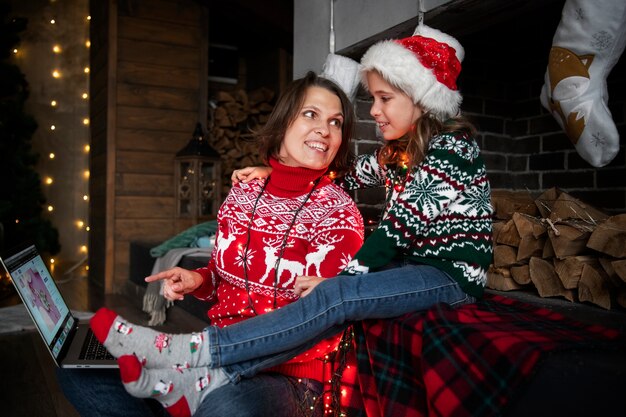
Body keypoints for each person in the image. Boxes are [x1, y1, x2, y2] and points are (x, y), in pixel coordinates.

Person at [89, 24, 493, 416]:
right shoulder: (392, 156)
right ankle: (185, 380)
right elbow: (345, 175)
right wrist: (274, 172)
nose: (373, 111)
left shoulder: (449, 152)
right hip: (404, 269)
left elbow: (398, 226)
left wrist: (344, 281)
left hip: (442, 279)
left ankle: (187, 358)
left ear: (420, 98)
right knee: (83, 379)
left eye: (383, 99)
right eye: (311, 115)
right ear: (283, 124)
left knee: (327, 303)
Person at [58, 71, 364, 417]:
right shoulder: (244, 191)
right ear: (282, 123)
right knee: (79, 371)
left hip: (288, 376)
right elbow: (224, 273)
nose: (325, 130)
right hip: (207, 360)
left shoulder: (338, 212)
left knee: (225, 407)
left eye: (336, 122)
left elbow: (321, 314)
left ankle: (185, 393)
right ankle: (184, 393)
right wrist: (199, 279)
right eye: (311, 114)